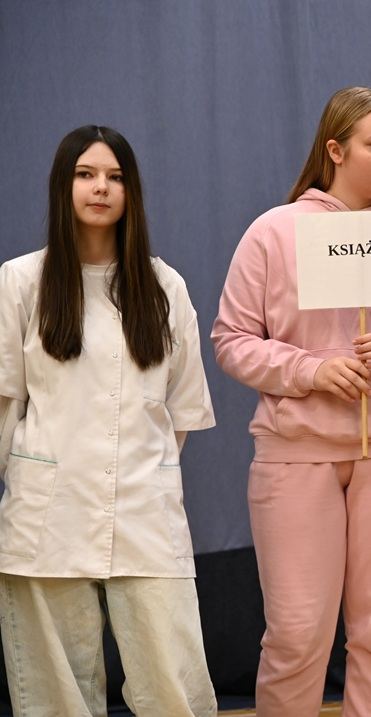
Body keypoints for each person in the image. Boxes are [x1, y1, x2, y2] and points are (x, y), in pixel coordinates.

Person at [211, 86, 371, 717]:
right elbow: (231, 341)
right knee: (297, 637)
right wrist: (310, 369)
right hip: (296, 454)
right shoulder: (273, 233)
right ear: (335, 150)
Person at [0, 125, 217, 716]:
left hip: (146, 513)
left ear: (132, 191)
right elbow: (6, 405)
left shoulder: (164, 285)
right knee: (55, 699)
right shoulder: (21, 281)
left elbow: (179, 412)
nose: (101, 188)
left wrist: (136, 471)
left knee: (175, 692)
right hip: (46, 518)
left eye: (115, 177)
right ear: (62, 185)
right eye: (86, 174)